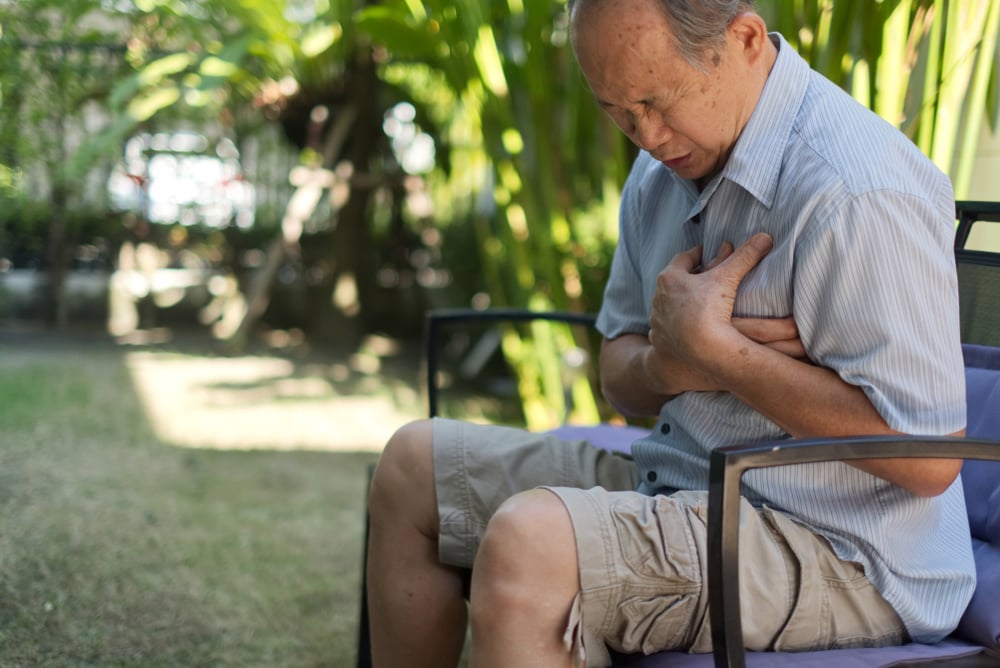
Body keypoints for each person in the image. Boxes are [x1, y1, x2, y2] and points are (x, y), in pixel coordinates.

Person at [365, 0, 975, 666]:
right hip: (682, 482)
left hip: (845, 554)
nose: (646, 135)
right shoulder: (663, 167)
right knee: (413, 467)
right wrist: (673, 364)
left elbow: (929, 460)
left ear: (742, 38)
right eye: (618, 111)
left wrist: (722, 353)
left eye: (659, 101)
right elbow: (619, 373)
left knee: (530, 545)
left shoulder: (856, 190)